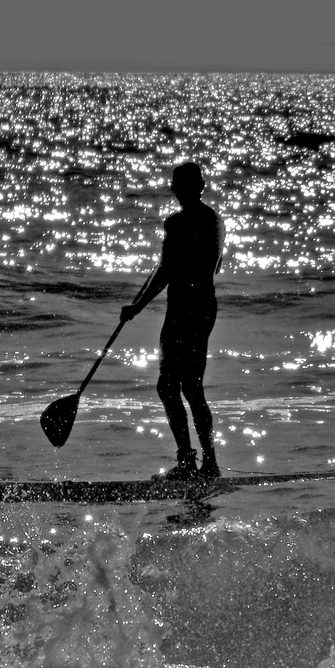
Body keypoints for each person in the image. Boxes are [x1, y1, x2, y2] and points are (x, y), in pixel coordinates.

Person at [120, 162, 225, 480]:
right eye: (178, 186)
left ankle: (203, 463)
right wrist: (138, 304)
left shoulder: (191, 223)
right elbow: (180, 267)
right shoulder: (209, 221)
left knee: (186, 387)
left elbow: (175, 271)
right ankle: (193, 461)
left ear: (199, 187)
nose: (181, 191)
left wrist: (137, 306)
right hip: (187, 311)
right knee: (172, 387)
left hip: (192, 312)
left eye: (186, 185)